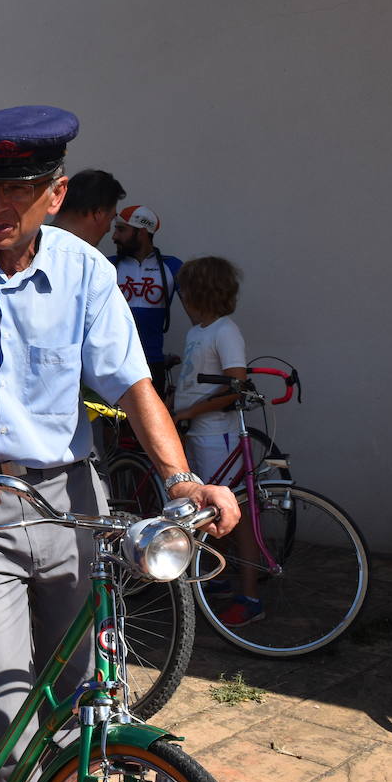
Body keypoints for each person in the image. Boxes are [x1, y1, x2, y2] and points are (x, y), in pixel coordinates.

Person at [0, 106, 238, 782]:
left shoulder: (84, 267)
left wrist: (181, 480)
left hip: (71, 498)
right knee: (7, 691)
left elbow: (131, 381)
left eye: (17, 188)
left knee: (81, 689)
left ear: (55, 195)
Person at [171, 256, 260, 625]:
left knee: (235, 514)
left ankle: (251, 596)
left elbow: (237, 385)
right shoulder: (197, 332)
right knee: (208, 511)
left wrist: (193, 412)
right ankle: (220, 577)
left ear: (197, 294)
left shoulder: (225, 331)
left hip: (218, 435)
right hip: (199, 436)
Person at [109, 204, 183, 393]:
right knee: (110, 422)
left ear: (141, 232)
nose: (114, 237)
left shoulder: (172, 266)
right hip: (111, 363)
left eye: (121, 229)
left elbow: (201, 313)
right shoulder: (107, 265)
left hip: (152, 363)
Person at [54, 168, 126, 246]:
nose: (108, 229)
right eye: (110, 219)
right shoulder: (88, 256)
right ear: (98, 213)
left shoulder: (40, 240)